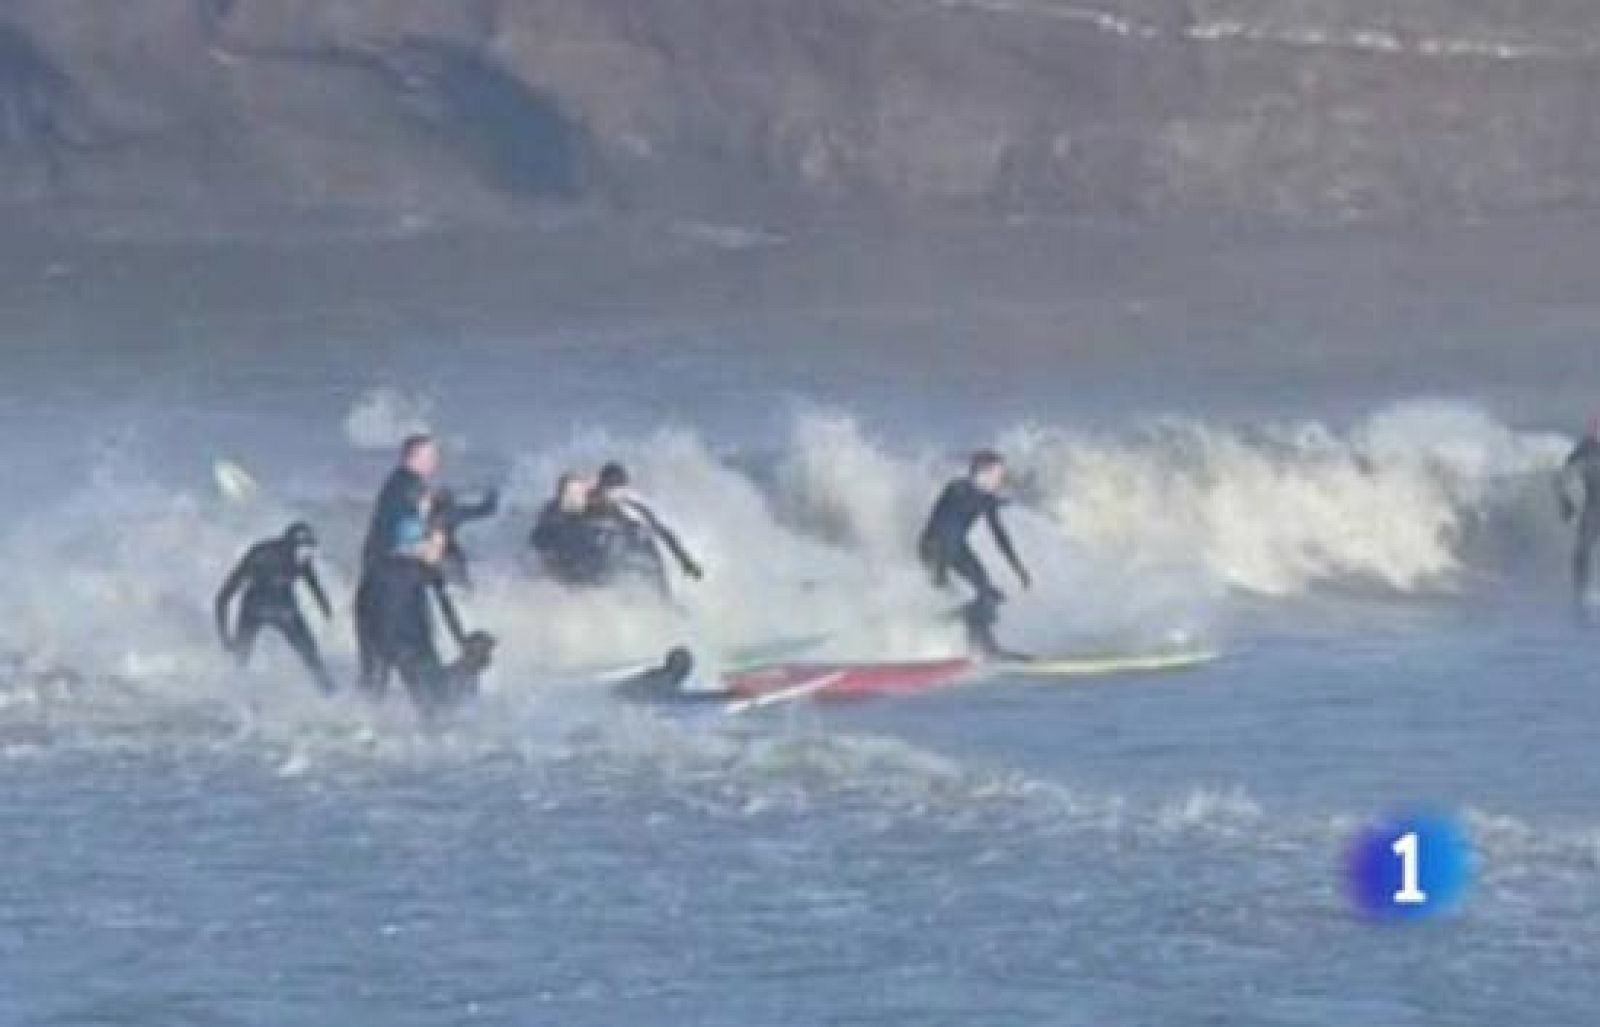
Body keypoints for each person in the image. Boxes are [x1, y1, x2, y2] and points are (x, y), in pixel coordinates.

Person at [355, 518, 488, 715]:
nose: (440, 552)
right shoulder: (427, 573)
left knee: (373, 697)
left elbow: (362, 609)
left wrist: (367, 649)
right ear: (417, 544)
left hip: (380, 640)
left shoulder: (376, 568)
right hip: (412, 644)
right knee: (434, 703)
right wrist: (462, 641)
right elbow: (445, 611)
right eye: (436, 546)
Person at [918, 450, 1032, 659]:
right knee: (978, 596)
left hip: (957, 548)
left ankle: (983, 646)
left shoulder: (985, 498)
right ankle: (940, 626)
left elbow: (1000, 537)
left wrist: (1019, 569)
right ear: (983, 472)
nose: (1001, 480)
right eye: (998, 474)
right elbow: (942, 529)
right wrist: (940, 571)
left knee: (989, 597)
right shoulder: (956, 489)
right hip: (934, 548)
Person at [215, 521, 336, 693]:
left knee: (310, 654)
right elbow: (222, 597)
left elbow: (313, 585)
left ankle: (328, 691)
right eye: (304, 548)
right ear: (289, 545)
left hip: (283, 607)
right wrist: (225, 637)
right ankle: (234, 693)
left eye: (310, 547)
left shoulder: (301, 558)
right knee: (240, 657)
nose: (308, 554)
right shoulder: (261, 554)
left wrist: (327, 610)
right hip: (256, 608)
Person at [583, 462, 704, 596]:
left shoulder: (626, 503)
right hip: (622, 552)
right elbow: (662, 530)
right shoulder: (591, 500)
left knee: (660, 593)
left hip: (638, 550)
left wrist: (685, 560)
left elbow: (661, 531)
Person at [361, 433, 439, 572]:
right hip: (394, 569)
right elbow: (405, 534)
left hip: (384, 565)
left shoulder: (399, 482)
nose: (435, 461)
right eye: (431, 456)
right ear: (414, 457)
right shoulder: (410, 488)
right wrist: (430, 546)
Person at [529, 472, 605, 586]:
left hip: (587, 559)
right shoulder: (550, 510)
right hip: (562, 560)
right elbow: (537, 539)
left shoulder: (592, 507)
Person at [1558, 416, 1600, 609]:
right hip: (1594, 508)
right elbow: (1562, 477)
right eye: (1595, 427)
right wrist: (1565, 504)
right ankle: (1580, 597)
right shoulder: (1584, 448)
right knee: (1582, 551)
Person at [430, 484, 500, 589]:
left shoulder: (420, 514)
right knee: (463, 586)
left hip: (427, 557)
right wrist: (493, 497)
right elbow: (484, 510)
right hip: (447, 555)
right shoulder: (450, 513)